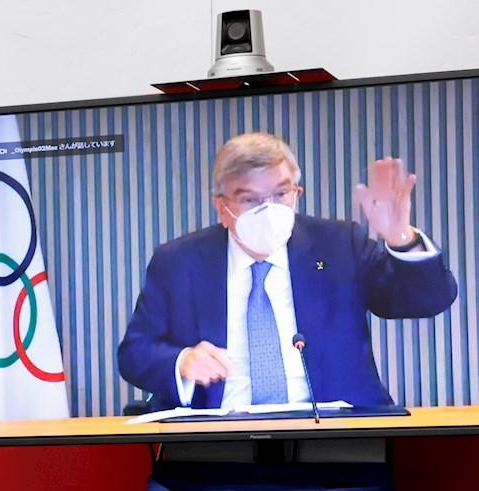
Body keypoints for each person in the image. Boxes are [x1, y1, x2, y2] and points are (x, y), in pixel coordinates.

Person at [118, 131, 457, 410]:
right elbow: (134, 353)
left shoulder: (338, 245)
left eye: (280, 194)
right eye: (250, 199)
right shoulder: (178, 262)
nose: (268, 209)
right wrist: (182, 362)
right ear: (222, 208)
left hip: (337, 442)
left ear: (297, 194)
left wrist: (400, 238)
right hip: (215, 441)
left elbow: (424, 301)